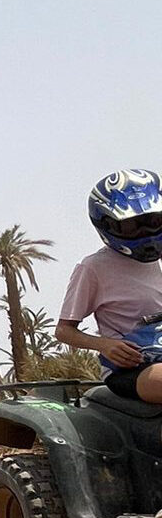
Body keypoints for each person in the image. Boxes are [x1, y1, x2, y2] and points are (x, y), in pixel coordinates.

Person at [56, 170, 162, 406]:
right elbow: (63, 330)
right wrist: (105, 344)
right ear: (107, 225)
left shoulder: (157, 261)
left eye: (152, 222)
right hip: (131, 367)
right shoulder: (94, 268)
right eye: (131, 226)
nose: (144, 233)